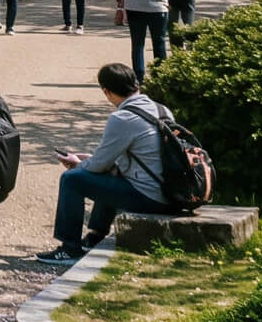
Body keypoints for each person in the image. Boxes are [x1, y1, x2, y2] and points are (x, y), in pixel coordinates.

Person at [36, 63, 178, 265]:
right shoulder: (161, 109)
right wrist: (89, 160)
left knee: (71, 180)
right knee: (108, 173)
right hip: (169, 191)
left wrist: (78, 164)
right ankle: (95, 237)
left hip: (150, 197)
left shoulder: (123, 117)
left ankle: (69, 248)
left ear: (107, 91)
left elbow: (98, 167)